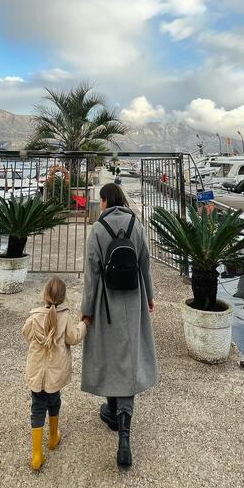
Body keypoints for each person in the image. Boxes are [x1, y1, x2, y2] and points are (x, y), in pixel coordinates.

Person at [80, 182, 159, 469]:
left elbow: (91, 273)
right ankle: (124, 429)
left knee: (111, 354)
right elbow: (145, 264)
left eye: (99, 201)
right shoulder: (136, 224)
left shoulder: (98, 229)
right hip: (133, 301)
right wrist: (149, 297)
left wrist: (86, 311)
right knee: (129, 356)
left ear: (104, 201)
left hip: (105, 303)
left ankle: (113, 413)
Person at [22, 276, 87, 471]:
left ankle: (36, 454)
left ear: (45, 294)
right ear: (63, 297)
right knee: (54, 401)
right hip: (55, 374)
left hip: (36, 374)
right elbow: (74, 338)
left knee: (37, 407)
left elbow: (25, 333)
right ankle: (52, 437)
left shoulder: (34, 317)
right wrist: (85, 323)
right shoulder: (65, 317)